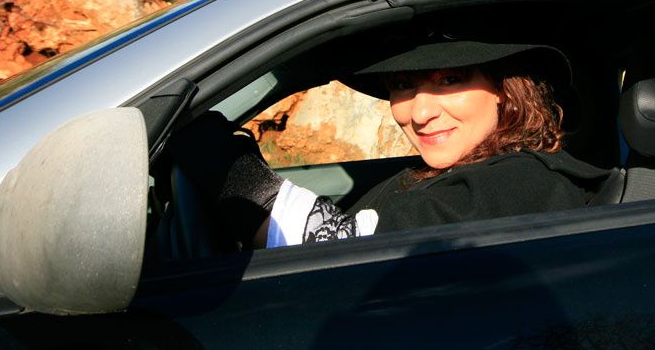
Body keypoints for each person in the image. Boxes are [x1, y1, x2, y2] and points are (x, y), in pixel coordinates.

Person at [170, 39, 610, 250]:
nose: (419, 112)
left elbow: (339, 251)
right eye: (402, 85)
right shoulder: (456, 171)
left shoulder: (522, 184)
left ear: (504, 90)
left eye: (450, 79)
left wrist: (213, 155)